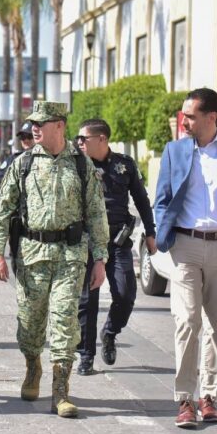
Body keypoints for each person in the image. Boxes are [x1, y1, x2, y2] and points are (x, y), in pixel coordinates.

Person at [0, 101, 108, 418]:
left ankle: (61, 391)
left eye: (41, 123)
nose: (34, 128)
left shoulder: (81, 165)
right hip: (32, 255)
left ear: (60, 125)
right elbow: (3, 209)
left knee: (65, 320)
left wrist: (100, 258)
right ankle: (33, 366)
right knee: (30, 323)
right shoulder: (23, 164)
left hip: (71, 255)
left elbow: (97, 213)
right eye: (33, 123)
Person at [154, 88, 217, 429]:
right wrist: (165, 234)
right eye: (184, 115)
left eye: (191, 116)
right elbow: (162, 199)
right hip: (185, 246)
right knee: (187, 321)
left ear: (211, 117)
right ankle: (185, 399)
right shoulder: (175, 151)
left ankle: (208, 397)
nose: (184, 121)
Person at [74, 118, 157, 376]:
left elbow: (141, 200)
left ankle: (110, 332)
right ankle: (86, 355)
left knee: (125, 293)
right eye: (77, 139)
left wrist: (151, 232)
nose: (79, 143)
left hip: (117, 241)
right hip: (88, 242)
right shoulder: (77, 165)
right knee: (87, 301)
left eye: (83, 138)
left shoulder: (125, 165)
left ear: (101, 139)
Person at [0, 121, 34, 199]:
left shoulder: (45, 160)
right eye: (23, 137)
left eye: (29, 136)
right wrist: (4, 201)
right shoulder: (13, 159)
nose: (26, 140)